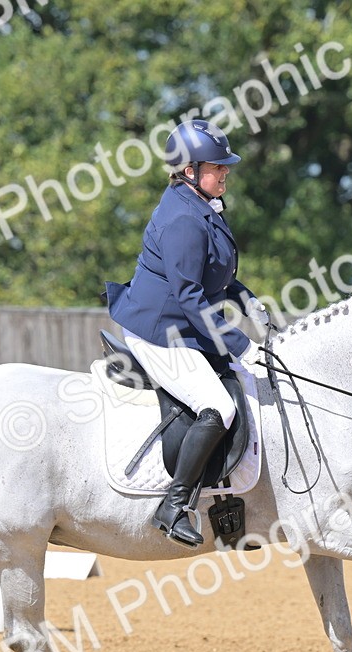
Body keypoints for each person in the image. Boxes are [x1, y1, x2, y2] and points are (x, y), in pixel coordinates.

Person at [104, 119, 269, 548]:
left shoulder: (200, 205)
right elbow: (192, 296)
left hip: (184, 322)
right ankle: (173, 506)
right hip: (160, 331)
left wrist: (246, 298)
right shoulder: (182, 218)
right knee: (218, 406)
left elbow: (214, 275)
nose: (225, 173)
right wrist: (241, 343)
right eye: (218, 167)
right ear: (189, 169)